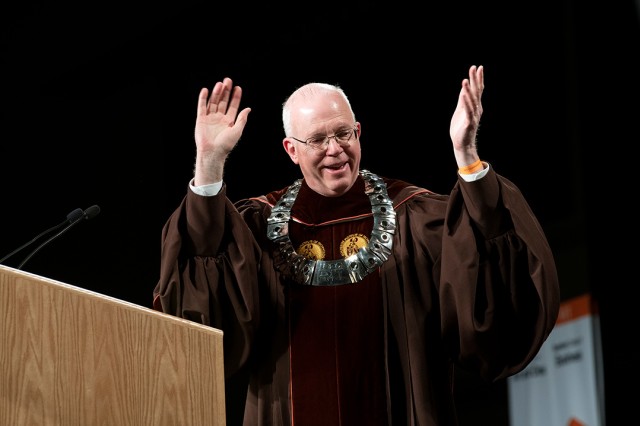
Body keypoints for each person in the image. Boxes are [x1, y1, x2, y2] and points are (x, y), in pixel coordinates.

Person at [152, 65, 560, 426]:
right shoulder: (259, 227)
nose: (335, 149)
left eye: (343, 133)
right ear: (291, 150)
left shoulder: (415, 217)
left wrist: (466, 154)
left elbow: (489, 260)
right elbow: (203, 271)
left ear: (358, 132)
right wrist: (209, 162)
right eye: (317, 139)